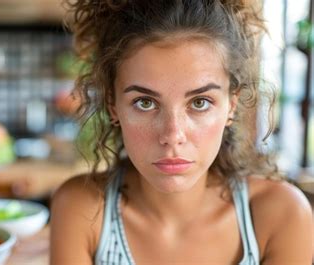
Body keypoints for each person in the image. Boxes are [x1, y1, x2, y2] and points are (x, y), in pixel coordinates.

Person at [50, 0, 313, 264]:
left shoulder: (280, 215)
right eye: (145, 102)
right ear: (113, 106)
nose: (173, 135)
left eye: (200, 103)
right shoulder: (81, 210)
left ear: (231, 105)